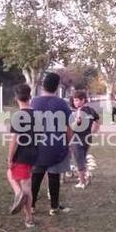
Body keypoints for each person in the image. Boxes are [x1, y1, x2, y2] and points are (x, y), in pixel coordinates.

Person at [31, 72, 74, 216]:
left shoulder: (34, 102)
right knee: (54, 176)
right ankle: (54, 207)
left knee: (36, 176)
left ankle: (31, 206)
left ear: (43, 84)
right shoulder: (61, 103)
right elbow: (69, 127)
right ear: (57, 87)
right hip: (56, 145)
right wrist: (67, 143)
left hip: (37, 145)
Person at [7, 84, 37, 228]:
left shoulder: (18, 116)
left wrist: (10, 158)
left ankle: (28, 217)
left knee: (23, 184)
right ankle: (21, 196)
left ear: (16, 98)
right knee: (25, 181)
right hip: (34, 153)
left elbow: (14, 140)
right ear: (29, 96)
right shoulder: (37, 114)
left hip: (22, 154)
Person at [70, 90, 100, 189]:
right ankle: (85, 177)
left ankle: (82, 182)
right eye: (74, 100)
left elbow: (74, 127)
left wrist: (75, 122)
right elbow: (98, 120)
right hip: (87, 138)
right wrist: (93, 131)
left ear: (83, 100)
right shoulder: (91, 110)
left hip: (77, 139)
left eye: (77, 100)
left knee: (79, 161)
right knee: (83, 158)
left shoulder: (79, 111)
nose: (75, 103)